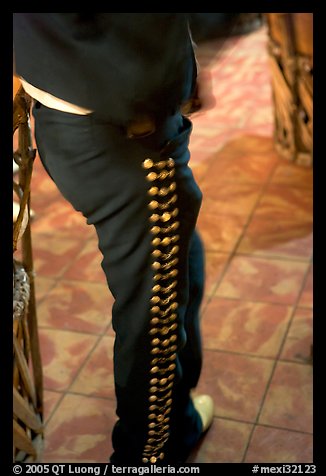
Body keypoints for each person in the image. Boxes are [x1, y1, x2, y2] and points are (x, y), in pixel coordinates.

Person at [12, 13, 231, 464]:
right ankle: (149, 453)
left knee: (178, 264)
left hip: (72, 108)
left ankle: (178, 419)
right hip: (120, 129)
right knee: (153, 312)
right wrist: (171, 77)